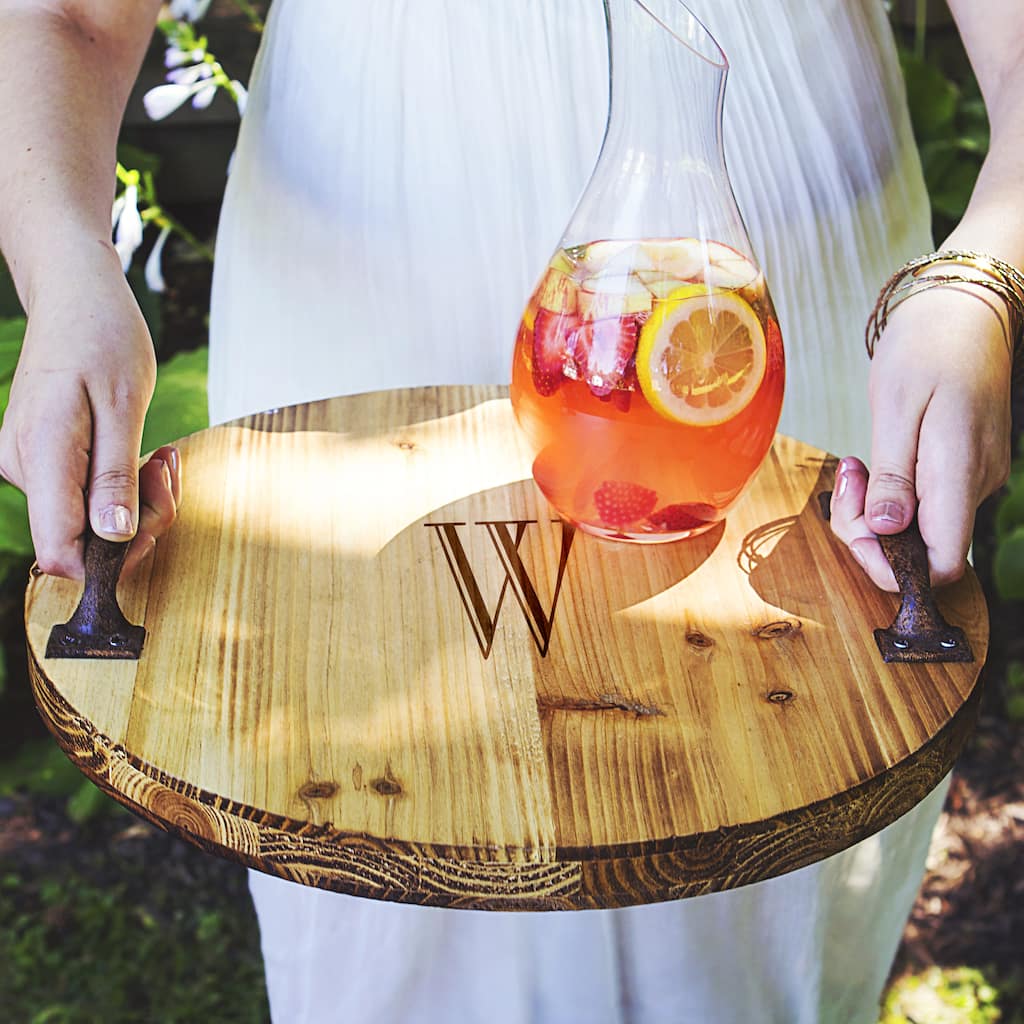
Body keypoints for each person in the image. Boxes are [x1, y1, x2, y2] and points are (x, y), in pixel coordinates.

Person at [0, 1, 1018, 1021]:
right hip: (359, 300)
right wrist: (66, 264)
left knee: (761, 904)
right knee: (381, 876)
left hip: (750, 321)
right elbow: (69, 14)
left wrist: (983, 276)